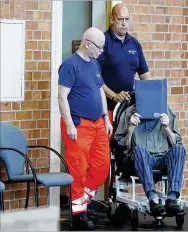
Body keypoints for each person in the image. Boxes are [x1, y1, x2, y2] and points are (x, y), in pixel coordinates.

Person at [58, 27, 113, 230]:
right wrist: (70, 125)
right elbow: (62, 97)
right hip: (78, 124)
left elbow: (100, 92)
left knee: (101, 167)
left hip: (98, 123)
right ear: (87, 43)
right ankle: (78, 212)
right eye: (100, 47)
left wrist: (106, 118)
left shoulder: (95, 64)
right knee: (78, 169)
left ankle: (84, 201)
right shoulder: (70, 65)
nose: (102, 51)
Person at [114, 105, 186, 216]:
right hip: (140, 159)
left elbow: (175, 142)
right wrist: (131, 128)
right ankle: (153, 199)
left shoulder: (166, 111)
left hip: (162, 158)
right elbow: (122, 147)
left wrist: (167, 128)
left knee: (179, 148)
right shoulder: (128, 113)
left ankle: (171, 199)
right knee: (139, 149)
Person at [97, 3, 151, 123]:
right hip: (106, 109)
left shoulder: (134, 44)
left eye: (127, 19)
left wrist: (151, 98)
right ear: (112, 20)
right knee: (108, 142)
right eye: (120, 19)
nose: (124, 23)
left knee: (126, 141)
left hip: (128, 109)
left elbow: (145, 75)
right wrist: (114, 95)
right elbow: (95, 77)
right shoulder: (103, 42)